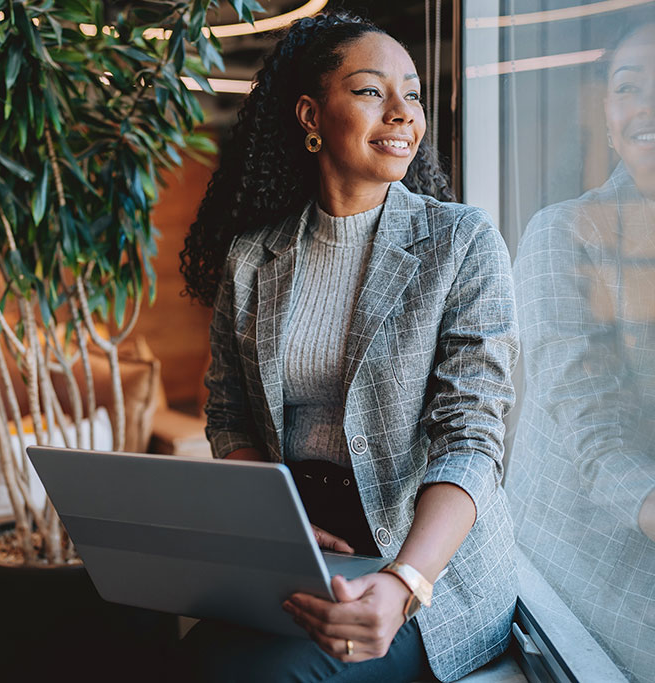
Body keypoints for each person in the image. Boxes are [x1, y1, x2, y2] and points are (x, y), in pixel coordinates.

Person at [178, 11, 519, 683]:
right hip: (302, 550)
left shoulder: (462, 243)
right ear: (310, 114)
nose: (402, 113)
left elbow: (472, 439)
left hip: (426, 566)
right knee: (186, 659)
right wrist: (280, 528)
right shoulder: (253, 256)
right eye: (370, 91)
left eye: (413, 94)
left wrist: (404, 581)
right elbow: (231, 417)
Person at [506, 10, 655, 683]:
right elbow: (598, 446)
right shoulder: (565, 234)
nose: (651, 105)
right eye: (627, 87)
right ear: (608, 119)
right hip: (586, 579)